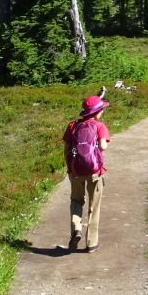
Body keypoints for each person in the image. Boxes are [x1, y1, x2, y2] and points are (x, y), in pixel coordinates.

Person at [63, 94, 110, 252]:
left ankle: (76, 229)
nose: (102, 112)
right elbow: (103, 147)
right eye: (101, 110)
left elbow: (66, 149)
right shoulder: (100, 126)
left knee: (76, 201)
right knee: (93, 206)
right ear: (96, 112)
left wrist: (70, 169)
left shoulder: (72, 126)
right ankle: (91, 243)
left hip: (75, 171)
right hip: (94, 171)